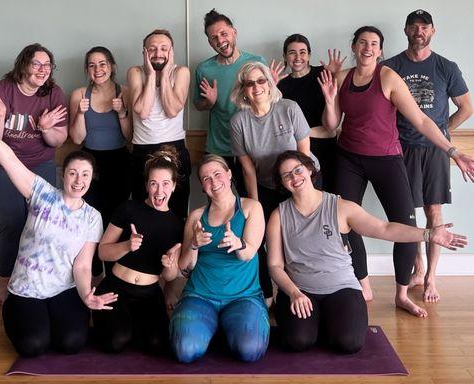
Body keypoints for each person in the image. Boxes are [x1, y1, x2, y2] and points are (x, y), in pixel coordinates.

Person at [319, 26, 474, 317]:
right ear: (354, 47)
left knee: (405, 225)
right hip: (348, 159)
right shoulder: (342, 78)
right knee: (345, 220)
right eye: (363, 43)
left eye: (374, 44)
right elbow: (331, 125)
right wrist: (330, 98)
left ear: (380, 51)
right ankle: (363, 284)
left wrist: (452, 152)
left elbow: (420, 119)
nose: (368, 48)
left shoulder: (389, 77)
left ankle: (401, 294)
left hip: (386, 159)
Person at [266, 151, 467, 352]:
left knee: (349, 343)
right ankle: (316, 321)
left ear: (309, 169)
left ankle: (327, 319)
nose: (294, 177)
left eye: (298, 170)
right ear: (283, 183)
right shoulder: (279, 215)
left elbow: (384, 229)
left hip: (341, 287)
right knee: (298, 341)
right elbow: (275, 265)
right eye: (287, 175)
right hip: (300, 290)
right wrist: (293, 293)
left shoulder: (340, 207)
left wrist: (428, 234)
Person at [0, 97, 117, 358]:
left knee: (72, 343)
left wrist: (86, 296)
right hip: (26, 290)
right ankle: (13, 311)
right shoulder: (41, 192)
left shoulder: (92, 217)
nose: (78, 180)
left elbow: (82, 266)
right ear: (63, 175)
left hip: (62, 289)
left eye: (85, 175)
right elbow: (7, 157)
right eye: (73, 173)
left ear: (92, 179)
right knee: (33, 346)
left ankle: (57, 316)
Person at [383, 10, 474, 303]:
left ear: (432, 31)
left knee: (434, 212)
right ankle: (418, 269)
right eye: (413, 26)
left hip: (435, 151)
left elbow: (466, 108)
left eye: (424, 26)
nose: (418, 31)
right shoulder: (391, 66)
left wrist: (442, 133)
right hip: (402, 149)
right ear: (406, 30)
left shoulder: (446, 67)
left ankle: (432, 277)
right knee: (409, 215)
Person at [0, 43, 68, 305]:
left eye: (47, 65)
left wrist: (45, 128)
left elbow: (57, 141)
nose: (42, 70)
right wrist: (0, 117)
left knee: (45, 222)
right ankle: (5, 285)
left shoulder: (54, 93)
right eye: (36, 64)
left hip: (38, 163)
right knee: (13, 222)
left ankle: (40, 280)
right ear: (23, 65)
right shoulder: (0, 91)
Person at [230, 61, 315, 304]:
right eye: (249, 83)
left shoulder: (289, 108)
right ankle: (266, 294)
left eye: (261, 80)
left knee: (296, 238)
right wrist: (255, 206)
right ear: (243, 90)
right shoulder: (239, 121)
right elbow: (247, 169)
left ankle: (298, 292)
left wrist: (303, 192)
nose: (256, 87)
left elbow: (304, 155)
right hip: (265, 185)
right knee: (257, 237)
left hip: (300, 181)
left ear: (269, 84)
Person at [170, 155, 269, 363]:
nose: (213, 181)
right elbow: (185, 267)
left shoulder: (252, 207)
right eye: (206, 178)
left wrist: (238, 243)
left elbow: (248, 253)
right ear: (202, 186)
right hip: (200, 296)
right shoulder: (196, 217)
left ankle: (226, 327)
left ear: (229, 174)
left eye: (217, 174)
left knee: (249, 350)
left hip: (243, 296)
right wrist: (194, 245)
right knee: (184, 350)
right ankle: (210, 327)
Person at [94, 146, 184, 355]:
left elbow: (169, 276)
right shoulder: (128, 208)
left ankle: (132, 323)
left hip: (149, 294)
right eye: (153, 184)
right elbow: (102, 252)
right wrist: (127, 246)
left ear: (173, 186)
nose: (159, 191)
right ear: (146, 185)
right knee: (116, 342)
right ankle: (117, 322)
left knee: (156, 345)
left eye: (165, 184)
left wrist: (169, 266)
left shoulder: (177, 224)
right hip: (116, 288)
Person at [193, 9, 282, 196]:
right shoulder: (204, 69)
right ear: (210, 42)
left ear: (234, 32)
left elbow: (268, 104)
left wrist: (272, 87)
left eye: (224, 33)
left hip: (252, 145)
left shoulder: (256, 62)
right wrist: (209, 102)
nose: (220, 40)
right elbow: (198, 105)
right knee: (218, 201)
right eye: (214, 38)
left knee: (250, 199)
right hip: (218, 147)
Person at [69, 46, 132, 277]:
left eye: (103, 63)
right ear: (87, 70)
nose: (98, 69)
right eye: (92, 65)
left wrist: (123, 112)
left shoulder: (124, 91)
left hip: (120, 161)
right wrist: (80, 114)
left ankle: (117, 273)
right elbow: (76, 139)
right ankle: (93, 274)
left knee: (117, 218)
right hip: (90, 163)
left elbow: (131, 137)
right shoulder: (79, 94)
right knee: (91, 218)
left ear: (112, 66)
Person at [127, 29, 191, 219]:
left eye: (164, 48)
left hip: (174, 147)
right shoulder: (136, 72)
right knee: (141, 210)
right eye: (152, 49)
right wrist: (151, 75)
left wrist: (164, 75)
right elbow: (142, 111)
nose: (158, 53)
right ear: (144, 53)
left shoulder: (181, 72)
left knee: (176, 210)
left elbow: (172, 110)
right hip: (141, 149)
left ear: (171, 52)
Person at [277, 34, 345, 193]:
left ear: (309, 55)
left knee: (332, 196)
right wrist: (271, 89)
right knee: (307, 196)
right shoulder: (281, 84)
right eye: (292, 52)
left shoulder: (322, 74)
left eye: (302, 52)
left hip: (326, 147)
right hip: (297, 151)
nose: (298, 57)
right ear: (285, 56)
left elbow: (330, 127)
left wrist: (336, 76)